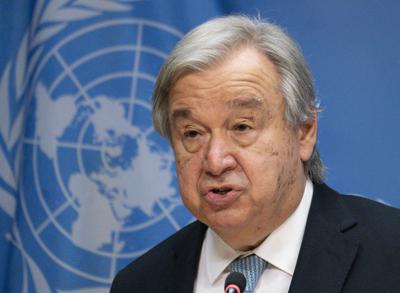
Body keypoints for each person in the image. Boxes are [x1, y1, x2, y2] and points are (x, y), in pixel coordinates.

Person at [111, 15, 400, 292]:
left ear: (304, 132)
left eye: (241, 127)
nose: (215, 161)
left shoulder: (391, 252)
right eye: (193, 133)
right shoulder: (139, 283)